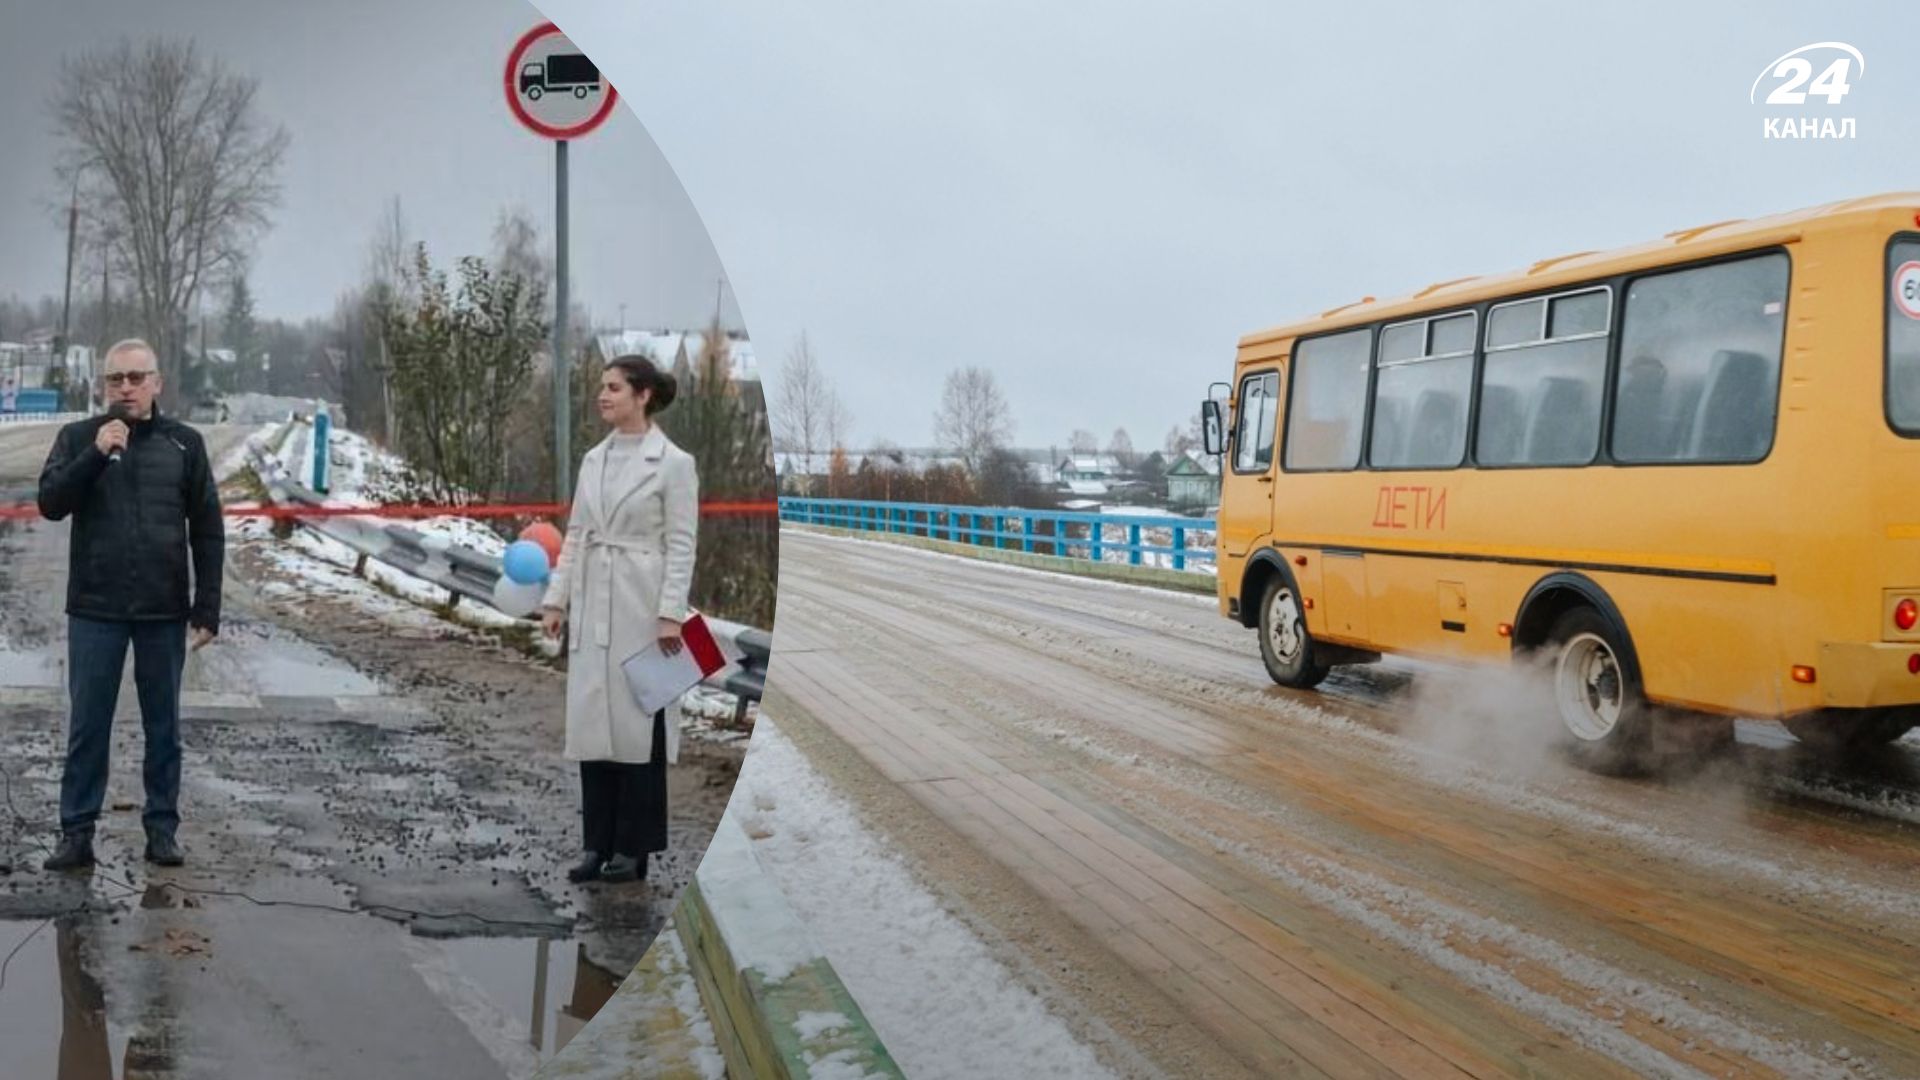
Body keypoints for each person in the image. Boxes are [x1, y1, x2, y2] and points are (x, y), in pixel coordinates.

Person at [36, 339, 223, 871]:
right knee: (88, 727)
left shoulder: (185, 443)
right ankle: (76, 833)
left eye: (136, 378)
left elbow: (207, 528)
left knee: (164, 728)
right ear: (104, 386)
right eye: (116, 379)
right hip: (95, 608)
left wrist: (207, 607)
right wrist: (95, 454)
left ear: (156, 383)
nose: (126, 388)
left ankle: (162, 829)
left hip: (163, 609)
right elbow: (50, 504)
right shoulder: (78, 438)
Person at [540, 354, 698, 884]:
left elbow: (682, 545)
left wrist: (670, 613)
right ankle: (596, 844)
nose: (602, 396)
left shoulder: (674, 464)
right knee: (593, 727)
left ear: (642, 395)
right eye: (602, 387)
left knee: (638, 725)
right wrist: (557, 600)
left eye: (613, 387)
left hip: (641, 604)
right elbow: (577, 534)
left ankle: (633, 849)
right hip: (594, 603)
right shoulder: (594, 460)